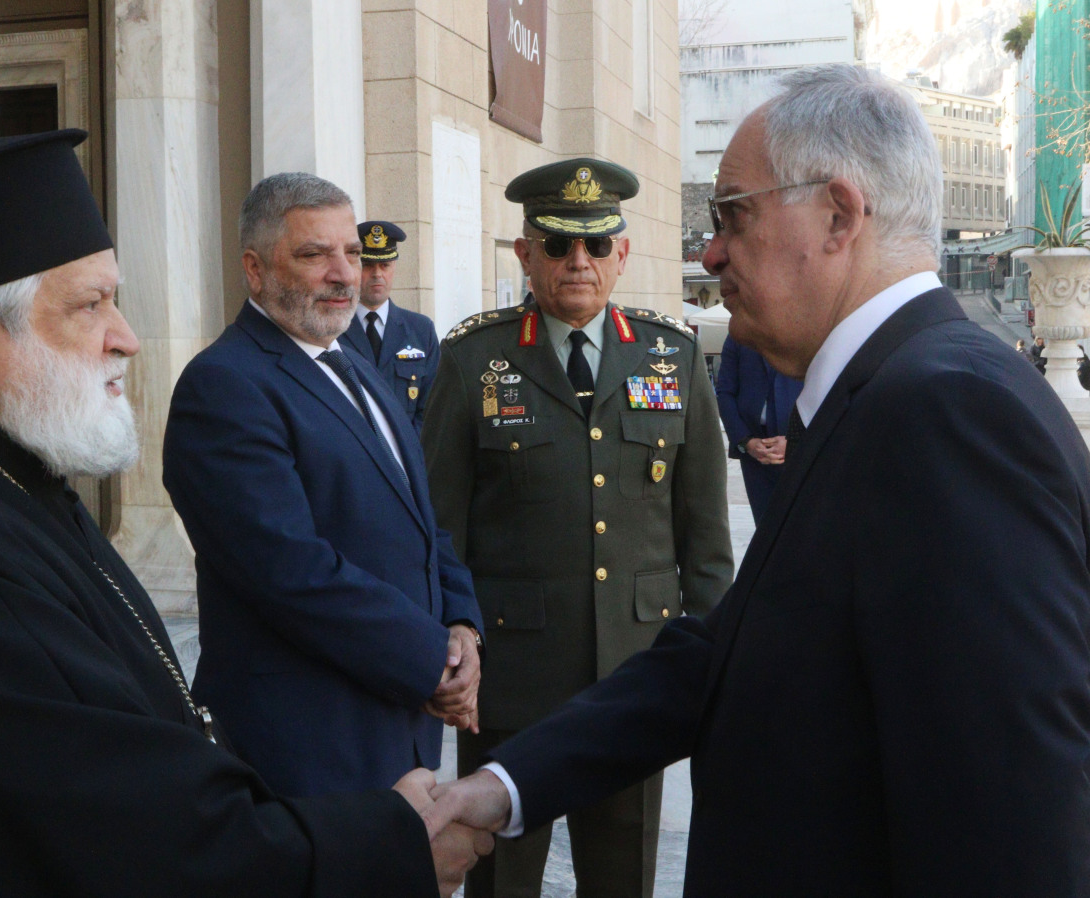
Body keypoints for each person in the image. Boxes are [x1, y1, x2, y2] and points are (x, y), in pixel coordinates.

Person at [0, 131, 491, 897]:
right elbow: (113, 814)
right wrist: (380, 844)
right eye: (91, 304)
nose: (128, 338)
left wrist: (457, 627)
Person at [427, 65, 1090, 895]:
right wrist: (502, 787)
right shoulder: (880, 392)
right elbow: (728, 646)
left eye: (733, 215)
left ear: (839, 217)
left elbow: (1012, 820)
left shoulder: (946, 412)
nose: (710, 252)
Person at [420, 157, 733, 898]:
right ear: (525, 254)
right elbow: (438, 531)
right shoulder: (472, 361)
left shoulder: (673, 356)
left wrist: (717, 668)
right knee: (502, 880)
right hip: (512, 678)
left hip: (635, 674)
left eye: (596, 244)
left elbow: (705, 541)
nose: (578, 262)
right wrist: (445, 646)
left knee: (621, 880)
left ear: (622, 253)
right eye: (558, 244)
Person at [162, 173, 484, 801]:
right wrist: (432, 659)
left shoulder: (354, 364)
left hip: (397, 723)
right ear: (255, 270)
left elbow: (423, 521)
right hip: (307, 744)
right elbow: (288, 569)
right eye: (315, 255)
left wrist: (464, 626)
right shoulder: (224, 386)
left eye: (352, 253)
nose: (344, 275)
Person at [338, 220, 440, 431]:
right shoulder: (332, 329)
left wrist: (406, 449)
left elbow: (433, 410)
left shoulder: (421, 330)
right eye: (368, 265)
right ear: (354, 269)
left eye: (385, 265)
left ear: (394, 268)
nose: (377, 274)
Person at [715, 333, 803, 523]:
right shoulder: (739, 335)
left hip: (801, 449)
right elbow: (725, 392)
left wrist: (798, 440)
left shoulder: (808, 329)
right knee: (765, 525)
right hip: (755, 451)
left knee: (802, 527)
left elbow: (826, 391)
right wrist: (745, 441)